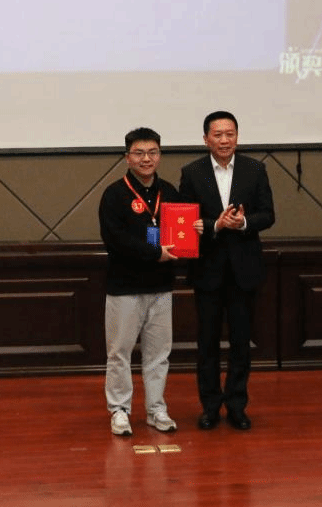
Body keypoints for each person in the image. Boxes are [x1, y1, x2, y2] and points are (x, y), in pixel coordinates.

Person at [179, 111, 275, 431]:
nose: (224, 140)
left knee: (240, 343)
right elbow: (185, 219)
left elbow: (268, 215)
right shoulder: (192, 172)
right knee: (207, 344)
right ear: (206, 139)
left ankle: (236, 405)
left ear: (237, 137)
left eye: (230, 134)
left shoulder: (255, 169)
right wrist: (215, 225)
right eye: (217, 135)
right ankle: (209, 407)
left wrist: (244, 222)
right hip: (207, 270)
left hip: (244, 271)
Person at [97, 127, 181, 436]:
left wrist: (192, 233)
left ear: (160, 155)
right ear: (127, 157)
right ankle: (119, 410)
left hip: (161, 287)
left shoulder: (169, 192)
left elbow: (179, 232)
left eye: (152, 152)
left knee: (159, 354)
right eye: (139, 153)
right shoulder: (114, 194)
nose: (146, 159)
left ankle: (156, 408)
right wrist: (155, 253)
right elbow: (115, 239)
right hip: (125, 288)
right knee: (119, 353)